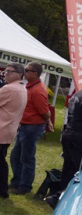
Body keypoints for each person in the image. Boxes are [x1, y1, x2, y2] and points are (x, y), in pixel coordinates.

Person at [10, 62, 54, 195]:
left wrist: (48, 121)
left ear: (35, 74)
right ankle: (17, 182)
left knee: (27, 158)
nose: (25, 72)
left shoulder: (38, 91)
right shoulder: (30, 87)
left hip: (32, 127)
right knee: (15, 156)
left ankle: (25, 186)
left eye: (27, 70)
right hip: (26, 126)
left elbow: (44, 111)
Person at [0, 64, 27, 199]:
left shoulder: (9, 88)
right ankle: (3, 190)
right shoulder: (22, 88)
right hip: (8, 129)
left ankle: (2, 190)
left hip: (3, 128)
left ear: (19, 74)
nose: (6, 74)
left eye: (10, 72)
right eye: (5, 71)